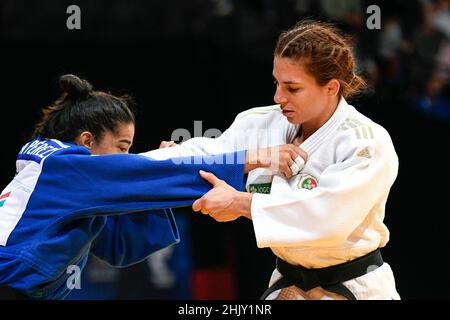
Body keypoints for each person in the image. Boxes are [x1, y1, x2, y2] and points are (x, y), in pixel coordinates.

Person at [145, 20, 400, 300]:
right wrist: (152, 161)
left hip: (353, 286)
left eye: (292, 88)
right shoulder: (262, 123)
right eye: (277, 83)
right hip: (288, 283)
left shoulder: (365, 142)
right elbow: (212, 153)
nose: (278, 97)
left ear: (331, 87)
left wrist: (240, 203)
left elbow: (326, 218)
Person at [0, 74, 268, 300]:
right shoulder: (66, 168)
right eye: (122, 148)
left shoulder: (65, 180)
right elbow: (142, 173)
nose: (126, 158)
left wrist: (162, 176)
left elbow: (119, 246)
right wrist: (247, 160)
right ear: (87, 141)